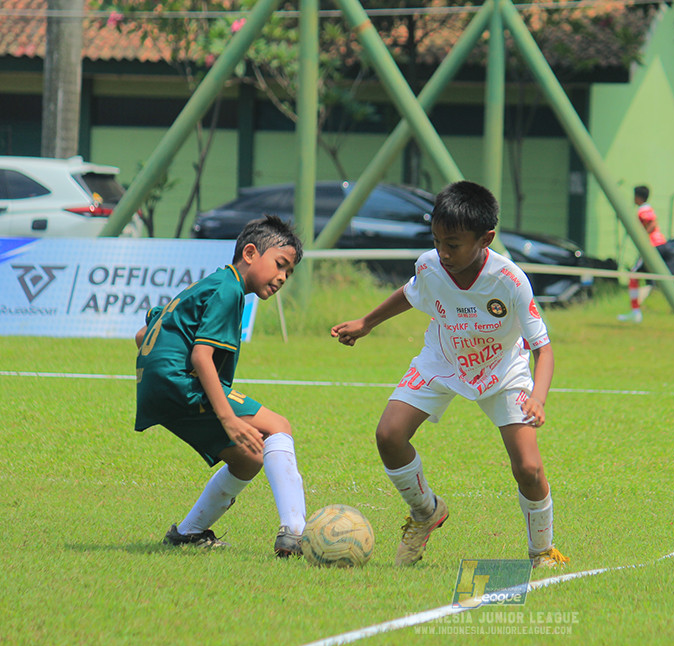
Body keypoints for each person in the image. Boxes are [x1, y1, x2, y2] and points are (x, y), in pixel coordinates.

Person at [330, 181, 569, 569]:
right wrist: (366, 322)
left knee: (528, 467)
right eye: (437, 240)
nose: (443, 252)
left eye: (453, 244)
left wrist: (537, 398)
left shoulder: (509, 280)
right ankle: (426, 512)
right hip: (442, 360)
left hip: (501, 370)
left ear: (485, 238)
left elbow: (543, 348)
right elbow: (410, 293)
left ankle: (542, 551)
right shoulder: (430, 265)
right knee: (388, 435)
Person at [134, 215, 308, 557]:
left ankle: (188, 533)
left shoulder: (209, 284)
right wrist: (228, 417)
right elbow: (201, 357)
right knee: (278, 426)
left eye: (288, 272)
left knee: (249, 458)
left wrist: (159, 369)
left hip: (156, 386)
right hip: (181, 382)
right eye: (280, 264)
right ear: (250, 253)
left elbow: (144, 334)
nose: (283, 277)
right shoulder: (229, 291)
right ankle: (297, 531)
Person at [618, 185, 667, 323]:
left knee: (633, 276)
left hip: (652, 247)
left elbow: (651, 222)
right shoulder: (647, 208)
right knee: (666, 276)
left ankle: (635, 312)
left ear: (638, 197)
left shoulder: (643, 210)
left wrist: (644, 238)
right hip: (660, 244)